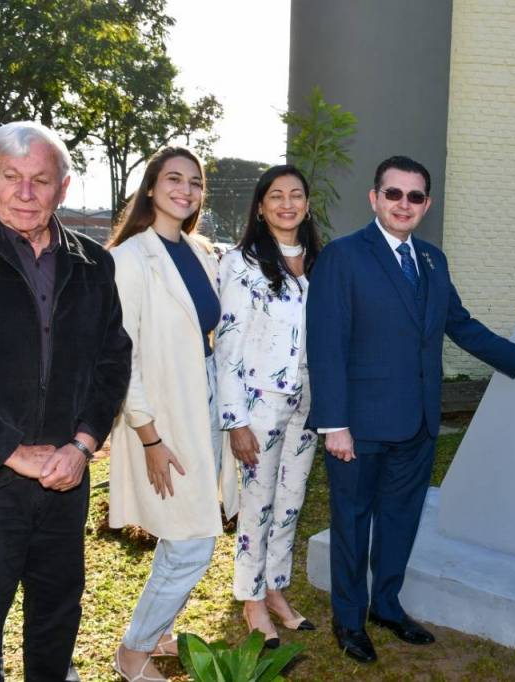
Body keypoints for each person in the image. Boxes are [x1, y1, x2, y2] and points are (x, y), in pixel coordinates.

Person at [307, 155, 515, 664]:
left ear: (427, 204)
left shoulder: (433, 260)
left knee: (400, 520)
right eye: (393, 193)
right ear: (375, 198)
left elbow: (459, 324)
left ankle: (386, 606)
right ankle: (349, 620)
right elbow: (326, 345)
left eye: (415, 196)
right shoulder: (342, 256)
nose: (404, 204)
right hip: (358, 425)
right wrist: (334, 425)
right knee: (352, 523)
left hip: (418, 422)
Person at [0, 121, 131, 680]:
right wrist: (10, 451)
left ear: (64, 187)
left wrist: (83, 444)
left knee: (55, 623)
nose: (26, 193)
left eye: (42, 180)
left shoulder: (93, 263)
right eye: (12, 177)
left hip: (64, 481)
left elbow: (112, 360)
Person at [107, 146, 237, 681]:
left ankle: (159, 630)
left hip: (204, 398)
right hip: (163, 413)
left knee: (185, 528)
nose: (186, 190)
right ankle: (133, 651)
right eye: (174, 179)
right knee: (193, 540)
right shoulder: (130, 258)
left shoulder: (201, 252)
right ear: (152, 187)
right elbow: (123, 357)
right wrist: (150, 438)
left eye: (195, 182)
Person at [215, 165, 321, 645]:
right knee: (257, 503)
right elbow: (227, 345)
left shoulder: (321, 263)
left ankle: (276, 587)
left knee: (291, 499)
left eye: (295, 195)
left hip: (310, 400)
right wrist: (235, 420)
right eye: (276, 195)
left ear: (307, 205)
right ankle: (251, 598)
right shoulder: (241, 263)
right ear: (260, 207)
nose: (286, 203)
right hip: (259, 403)